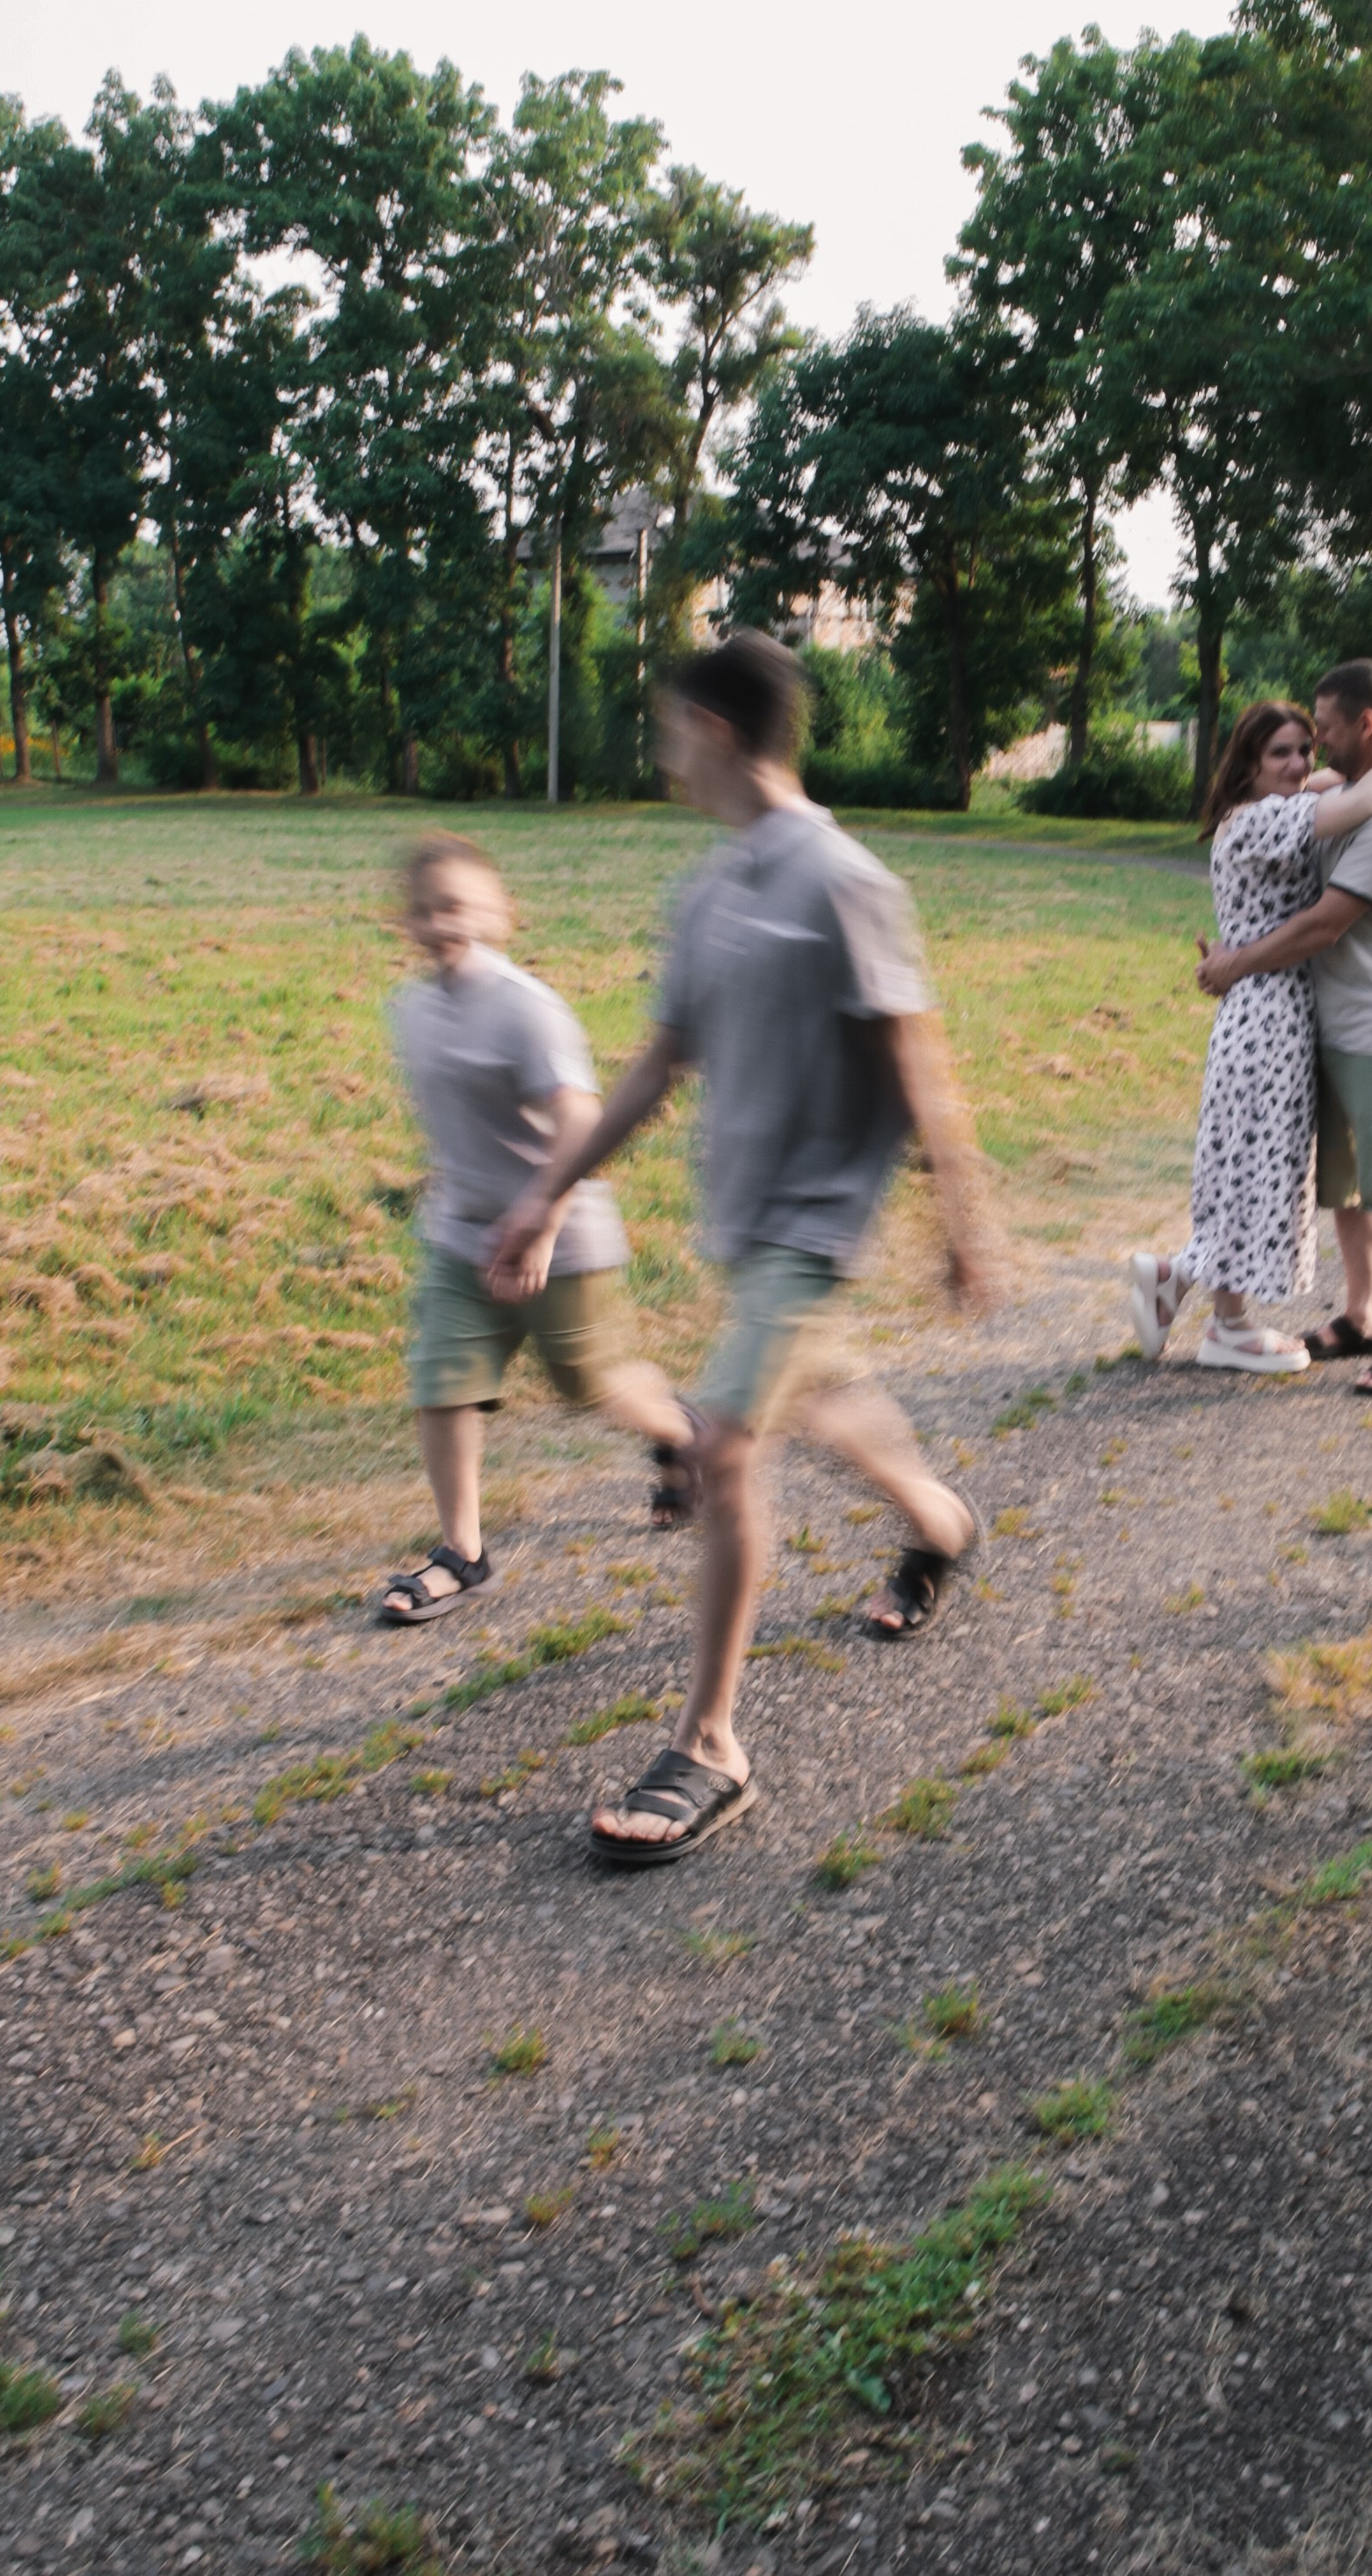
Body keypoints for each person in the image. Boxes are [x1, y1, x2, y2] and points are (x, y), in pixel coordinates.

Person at [486, 631, 997, 1871]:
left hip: (816, 1223)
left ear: (716, 729)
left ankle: (711, 1744)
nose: (663, 755)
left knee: (722, 1444)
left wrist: (963, 1217)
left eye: (670, 732)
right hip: (745, 1222)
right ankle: (941, 1518)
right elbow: (659, 1064)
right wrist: (549, 1192)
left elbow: (916, 1057)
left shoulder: (843, 878)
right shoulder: (708, 890)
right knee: (819, 1400)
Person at [377, 834, 690, 1625]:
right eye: (426, 908)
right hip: (465, 1236)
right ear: (404, 922)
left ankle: (683, 1431)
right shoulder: (411, 1010)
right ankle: (461, 1552)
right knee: (442, 1383)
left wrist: (542, 1219)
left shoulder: (526, 1006)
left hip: (564, 1233)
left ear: (500, 914)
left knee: (589, 1385)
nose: (442, 921)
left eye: (458, 904)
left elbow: (581, 1118)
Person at [1128, 700, 1372, 1373]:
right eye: (1281, 753)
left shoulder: (1280, 802)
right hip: (1267, 1012)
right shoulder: (1261, 819)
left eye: (1306, 748)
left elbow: (1343, 786)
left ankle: (1191, 1290)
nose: (1301, 763)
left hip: (1275, 1008)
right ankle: (1212, 1307)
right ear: (1247, 765)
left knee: (1259, 1168)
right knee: (1258, 1170)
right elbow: (1361, 800)